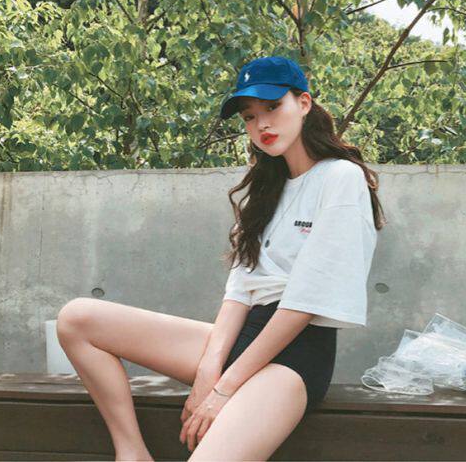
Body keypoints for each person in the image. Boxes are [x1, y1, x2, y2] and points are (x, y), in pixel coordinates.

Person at [55, 55, 386, 461]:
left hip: (293, 358)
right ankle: (132, 453)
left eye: (272, 107)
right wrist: (208, 372)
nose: (262, 124)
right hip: (242, 336)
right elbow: (240, 290)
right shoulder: (267, 189)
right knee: (78, 319)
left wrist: (223, 390)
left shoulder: (340, 177)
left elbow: (304, 302)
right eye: (249, 116)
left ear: (303, 103)